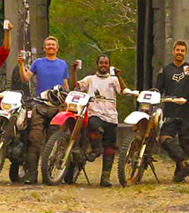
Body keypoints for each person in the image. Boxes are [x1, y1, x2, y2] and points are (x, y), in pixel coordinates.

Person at [17, 35, 69, 184]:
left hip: (56, 107)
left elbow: (65, 85)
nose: (51, 47)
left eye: (53, 45)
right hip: (40, 105)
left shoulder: (62, 64)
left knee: (53, 141)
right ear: (44, 48)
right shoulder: (38, 63)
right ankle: (32, 175)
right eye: (48, 45)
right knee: (34, 140)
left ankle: (50, 175)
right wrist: (21, 65)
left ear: (57, 48)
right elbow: (25, 78)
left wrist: (68, 101)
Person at [156, 39, 189, 182]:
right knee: (164, 139)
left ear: (185, 53)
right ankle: (185, 165)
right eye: (177, 50)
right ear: (173, 51)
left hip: (187, 111)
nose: (179, 53)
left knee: (185, 143)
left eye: (182, 51)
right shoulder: (166, 70)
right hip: (170, 111)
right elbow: (158, 89)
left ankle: (180, 173)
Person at [73, 54, 126, 187]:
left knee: (110, 147)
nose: (103, 65)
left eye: (106, 63)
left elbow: (123, 91)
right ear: (97, 64)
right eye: (101, 63)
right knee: (94, 126)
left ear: (109, 65)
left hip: (111, 116)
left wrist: (119, 76)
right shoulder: (90, 79)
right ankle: (96, 149)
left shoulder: (113, 80)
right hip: (95, 113)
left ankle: (105, 177)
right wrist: (73, 71)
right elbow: (76, 86)